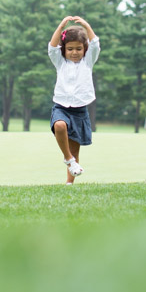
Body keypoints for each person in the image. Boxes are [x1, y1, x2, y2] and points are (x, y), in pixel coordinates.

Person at [48, 15, 99, 185]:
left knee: (75, 149)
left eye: (78, 48)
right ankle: (68, 159)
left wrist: (86, 25)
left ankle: (69, 183)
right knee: (60, 125)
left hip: (79, 110)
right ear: (64, 50)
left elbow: (95, 44)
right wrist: (62, 25)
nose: (74, 52)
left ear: (84, 49)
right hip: (61, 107)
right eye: (70, 49)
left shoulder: (88, 62)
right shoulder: (60, 62)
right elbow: (52, 47)